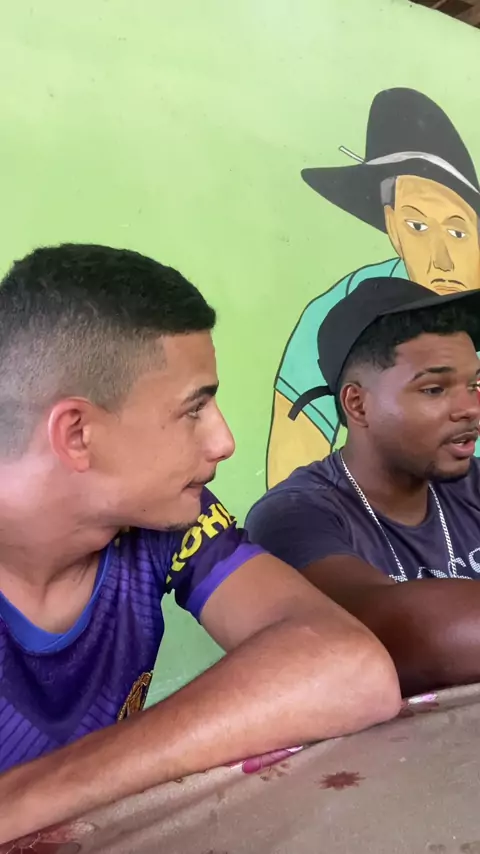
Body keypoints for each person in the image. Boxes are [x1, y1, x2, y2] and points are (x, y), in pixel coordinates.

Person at [0, 245, 400, 844]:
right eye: (194, 409)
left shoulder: (164, 523)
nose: (224, 441)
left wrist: (26, 797)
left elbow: (352, 670)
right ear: (78, 434)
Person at [248, 275, 480, 700]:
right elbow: (400, 634)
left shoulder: (473, 485)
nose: (471, 408)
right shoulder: (294, 516)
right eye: (434, 389)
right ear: (357, 404)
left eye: (474, 385)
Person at [268, 88, 480, 487]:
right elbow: (291, 476)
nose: (441, 259)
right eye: (417, 226)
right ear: (392, 227)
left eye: (457, 231)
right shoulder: (342, 313)